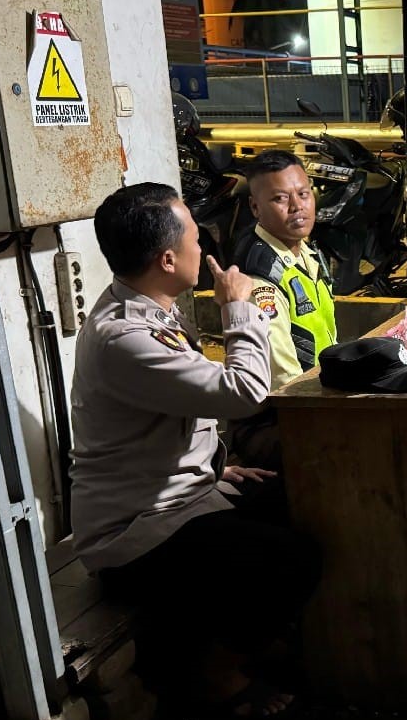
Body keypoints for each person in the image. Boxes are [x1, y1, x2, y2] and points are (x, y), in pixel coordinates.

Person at [70, 182, 320, 718]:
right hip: (135, 535)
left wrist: (214, 471)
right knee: (291, 559)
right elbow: (242, 394)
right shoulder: (124, 336)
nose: (203, 247)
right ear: (167, 259)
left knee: (301, 500)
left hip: (178, 501)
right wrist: (238, 311)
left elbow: (167, 417)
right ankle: (212, 676)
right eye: (194, 238)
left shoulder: (147, 310)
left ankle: (254, 641)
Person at [231, 150, 337, 468]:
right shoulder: (260, 278)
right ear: (255, 207)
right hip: (277, 421)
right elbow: (284, 382)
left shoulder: (306, 253)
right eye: (280, 198)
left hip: (316, 398)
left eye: (303, 194)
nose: (297, 207)